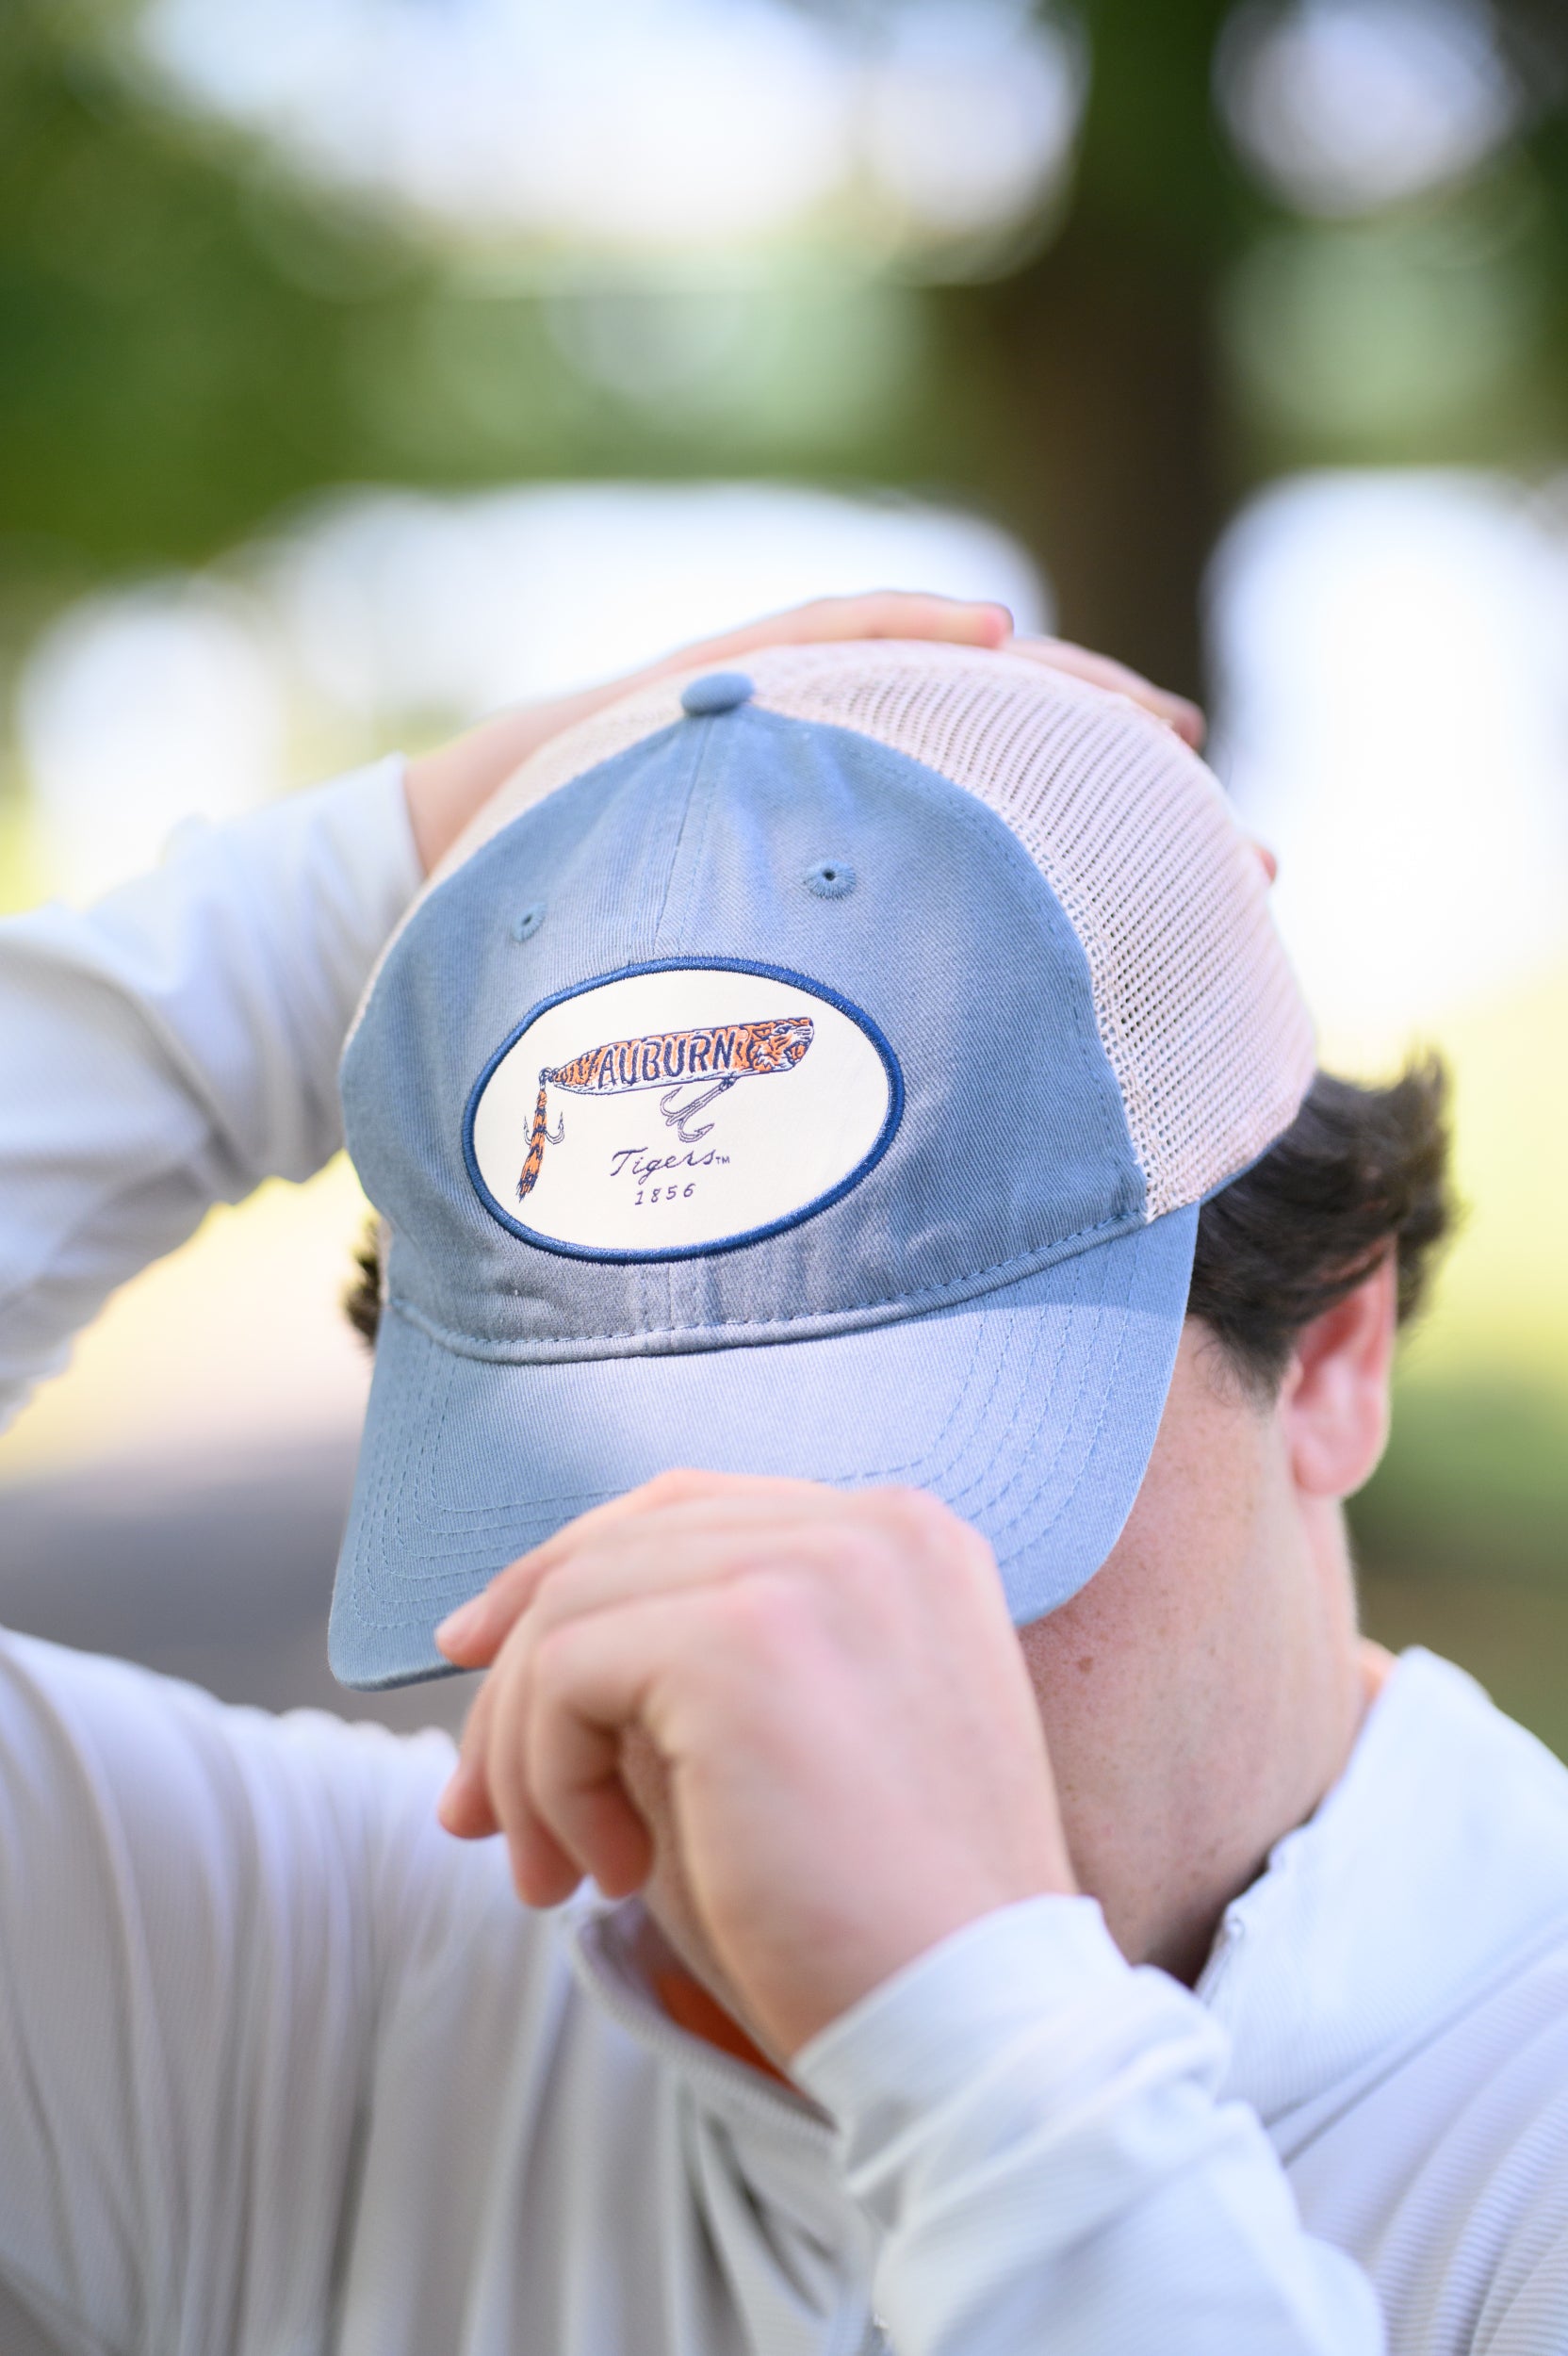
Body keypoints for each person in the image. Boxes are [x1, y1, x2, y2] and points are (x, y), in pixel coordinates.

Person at [0, 592, 1563, 2356]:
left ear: (1331, 1361)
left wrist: (982, 2043)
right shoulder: (315, 1998)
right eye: (595, 1514)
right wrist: (351, 906)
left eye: (929, 1506)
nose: (750, 1650)